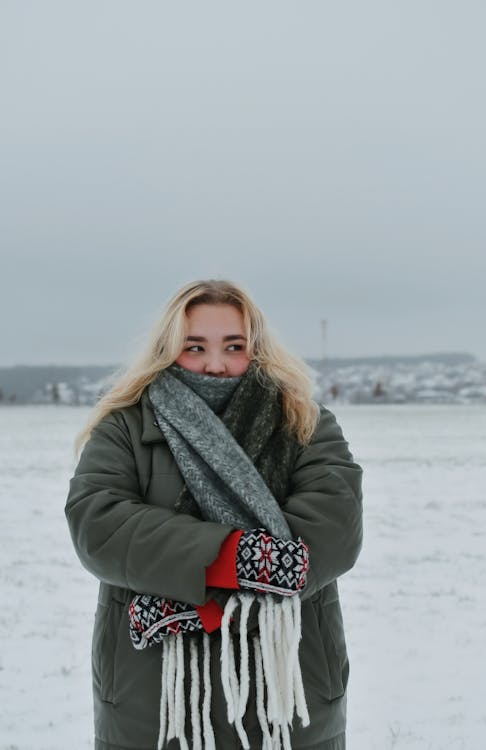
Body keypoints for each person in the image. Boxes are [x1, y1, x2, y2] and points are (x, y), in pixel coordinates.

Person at [65, 279, 363, 750]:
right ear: (167, 348)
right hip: (154, 702)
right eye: (195, 346)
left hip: (287, 696)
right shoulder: (125, 424)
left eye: (234, 346)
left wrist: (201, 604)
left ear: (258, 348)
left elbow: (334, 529)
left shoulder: (305, 421)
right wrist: (232, 557)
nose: (216, 364)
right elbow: (99, 522)